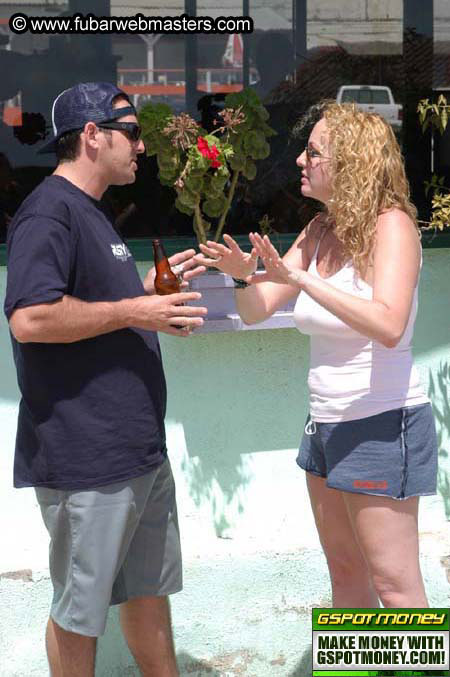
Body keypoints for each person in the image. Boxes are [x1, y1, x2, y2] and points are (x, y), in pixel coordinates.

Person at [194, 101, 438, 608]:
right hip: (325, 424)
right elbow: (259, 308)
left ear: (351, 162)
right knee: (345, 573)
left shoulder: (391, 227)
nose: (302, 161)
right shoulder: (319, 229)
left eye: (314, 151)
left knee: (395, 585)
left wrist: (300, 278)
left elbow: (388, 323)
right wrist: (242, 274)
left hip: (381, 423)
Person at [4, 82, 207, 677]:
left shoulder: (91, 212)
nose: (142, 145)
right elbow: (30, 318)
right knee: (80, 610)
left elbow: (90, 302)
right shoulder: (48, 212)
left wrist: (143, 292)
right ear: (92, 135)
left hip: (136, 451)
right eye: (132, 131)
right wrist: (133, 311)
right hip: (85, 456)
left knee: (148, 593)